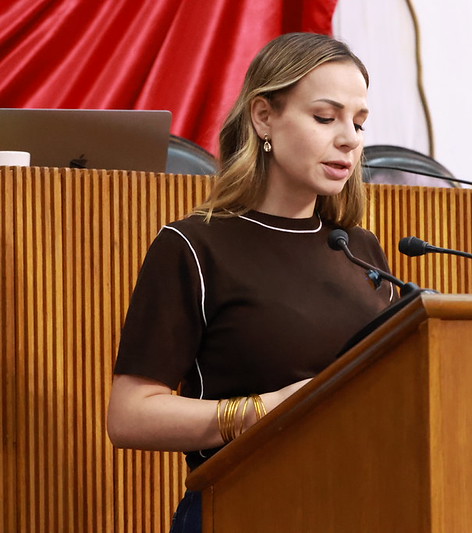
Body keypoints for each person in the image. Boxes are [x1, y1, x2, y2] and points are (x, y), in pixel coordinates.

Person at [106, 32, 395, 533]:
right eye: (325, 117)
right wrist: (262, 411)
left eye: (359, 122)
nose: (350, 138)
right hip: (242, 508)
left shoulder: (360, 249)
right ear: (264, 117)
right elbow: (130, 416)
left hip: (360, 506)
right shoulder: (193, 246)